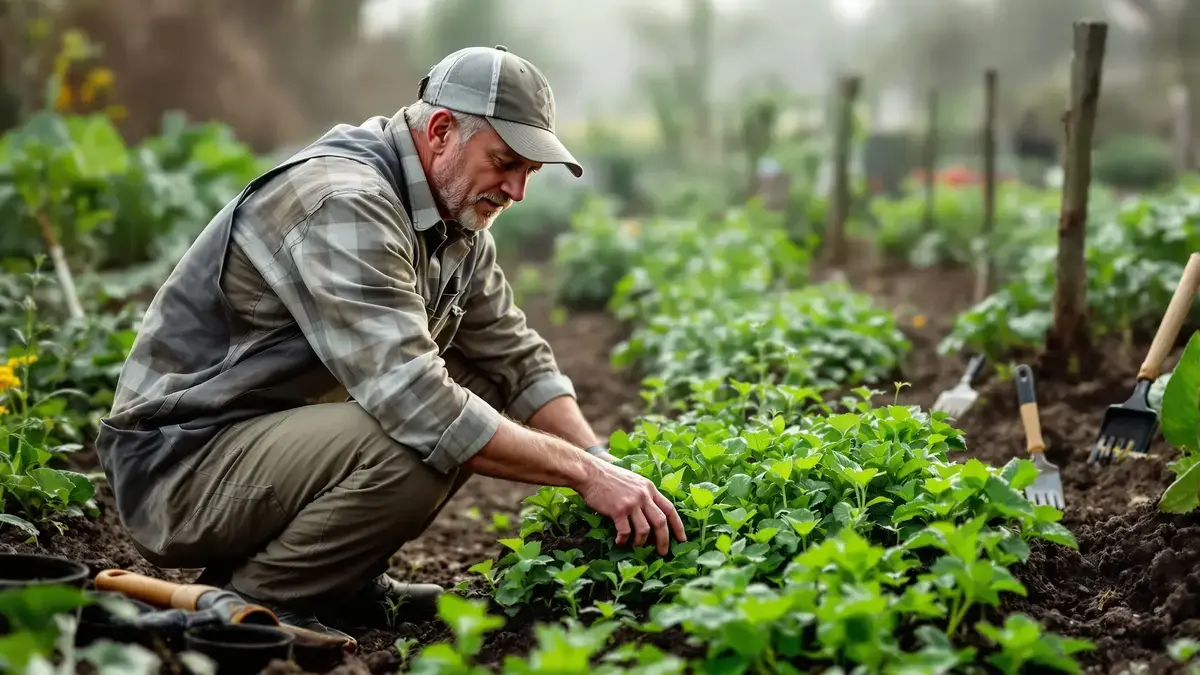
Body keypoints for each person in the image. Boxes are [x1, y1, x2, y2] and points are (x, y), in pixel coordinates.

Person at [95, 45, 686, 639]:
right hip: (180, 466)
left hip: (262, 444)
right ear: (439, 131)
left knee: (481, 379)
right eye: (505, 162)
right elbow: (418, 404)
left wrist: (603, 461)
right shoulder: (345, 200)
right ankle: (264, 596)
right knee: (417, 439)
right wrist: (584, 474)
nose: (517, 190)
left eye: (529, 172)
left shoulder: (454, 218)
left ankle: (338, 577)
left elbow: (513, 355)